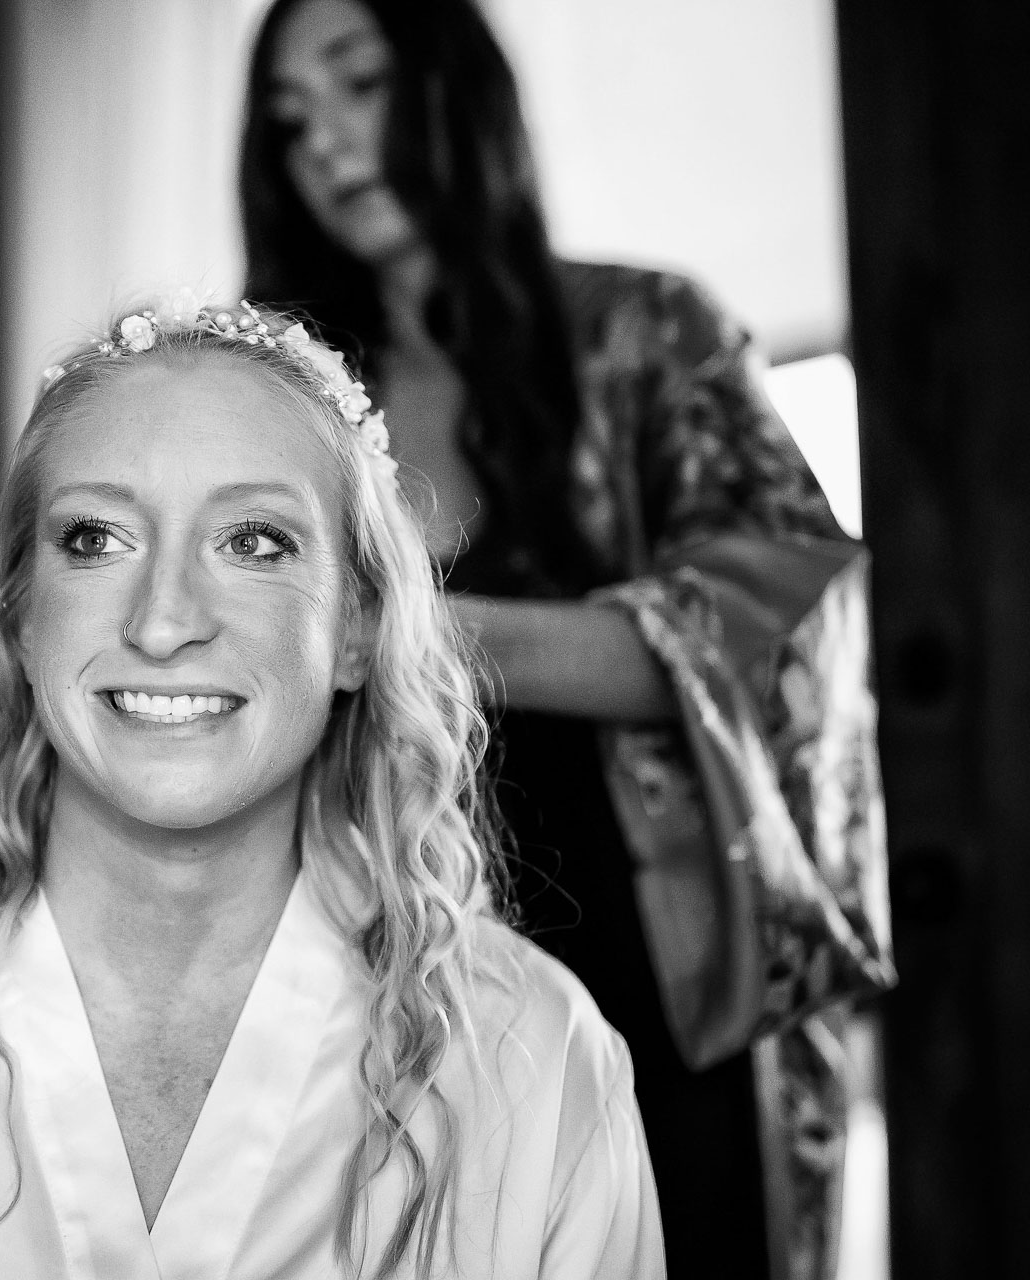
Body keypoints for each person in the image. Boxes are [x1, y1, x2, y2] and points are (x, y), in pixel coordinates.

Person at [0, 299, 665, 1279]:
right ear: (21, 620)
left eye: (255, 542)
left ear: (356, 627)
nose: (163, 622)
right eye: (94, 539)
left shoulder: (535, 1063)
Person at [240, 3, 893, 1278]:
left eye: (360, 83)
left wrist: (420, 634)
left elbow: (789, 617)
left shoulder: (651, 335)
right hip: (381, 999)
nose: (325, 145)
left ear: (457, 89)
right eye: (291, 123)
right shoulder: (287, 405)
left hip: (665, 984)